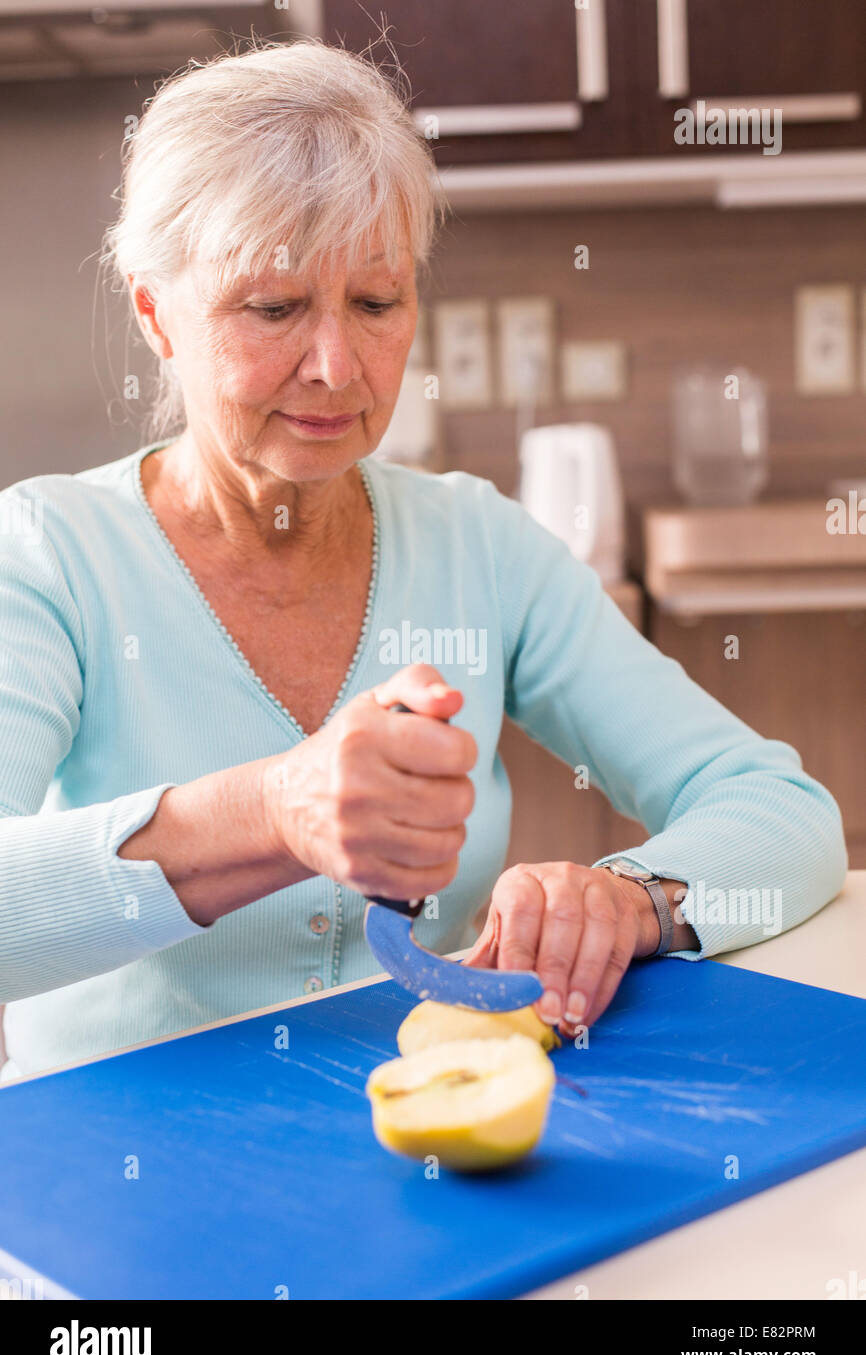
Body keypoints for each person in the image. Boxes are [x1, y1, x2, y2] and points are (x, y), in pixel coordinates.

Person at [0, 40, 847, 1082]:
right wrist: (274, 809)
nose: (335, 366)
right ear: (154, 314)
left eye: (375, 301)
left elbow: (782, 810)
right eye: (272, 308)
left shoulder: (476, 545)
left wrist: (634, 899)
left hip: (420, 1135)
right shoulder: (46, 555)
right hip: (105, 1181)